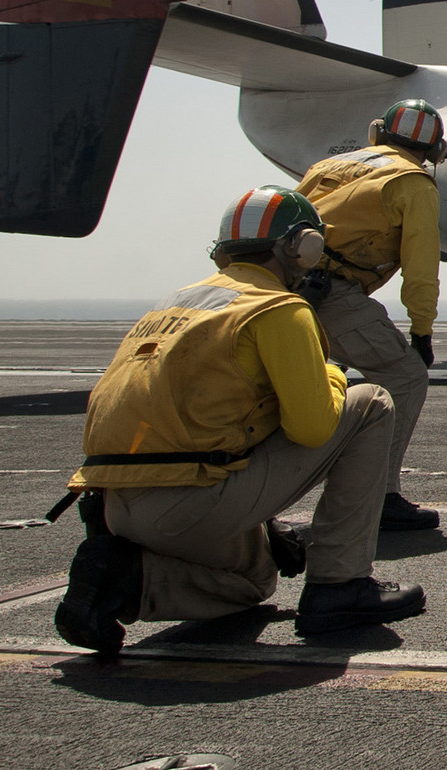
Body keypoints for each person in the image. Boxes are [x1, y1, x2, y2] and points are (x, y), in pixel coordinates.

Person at [54, 188, 426, 657]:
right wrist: (329, 371)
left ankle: (124, 580)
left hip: (117, 509)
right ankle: (340, 586)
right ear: (303, 246)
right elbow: (312, 429)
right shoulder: (279, 309)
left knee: (254, 582)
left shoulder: (173, 303)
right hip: (191, 504)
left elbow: (209, 412)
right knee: (371, 403)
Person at [296, 98, 447, 532]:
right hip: (333, 293)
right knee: (404, 375)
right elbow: (421, 268)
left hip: (282, 288)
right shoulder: (413, 183)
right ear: (435, 150)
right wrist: (422, 333)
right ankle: (377, 495)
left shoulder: (327, 166)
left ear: (377, 132)